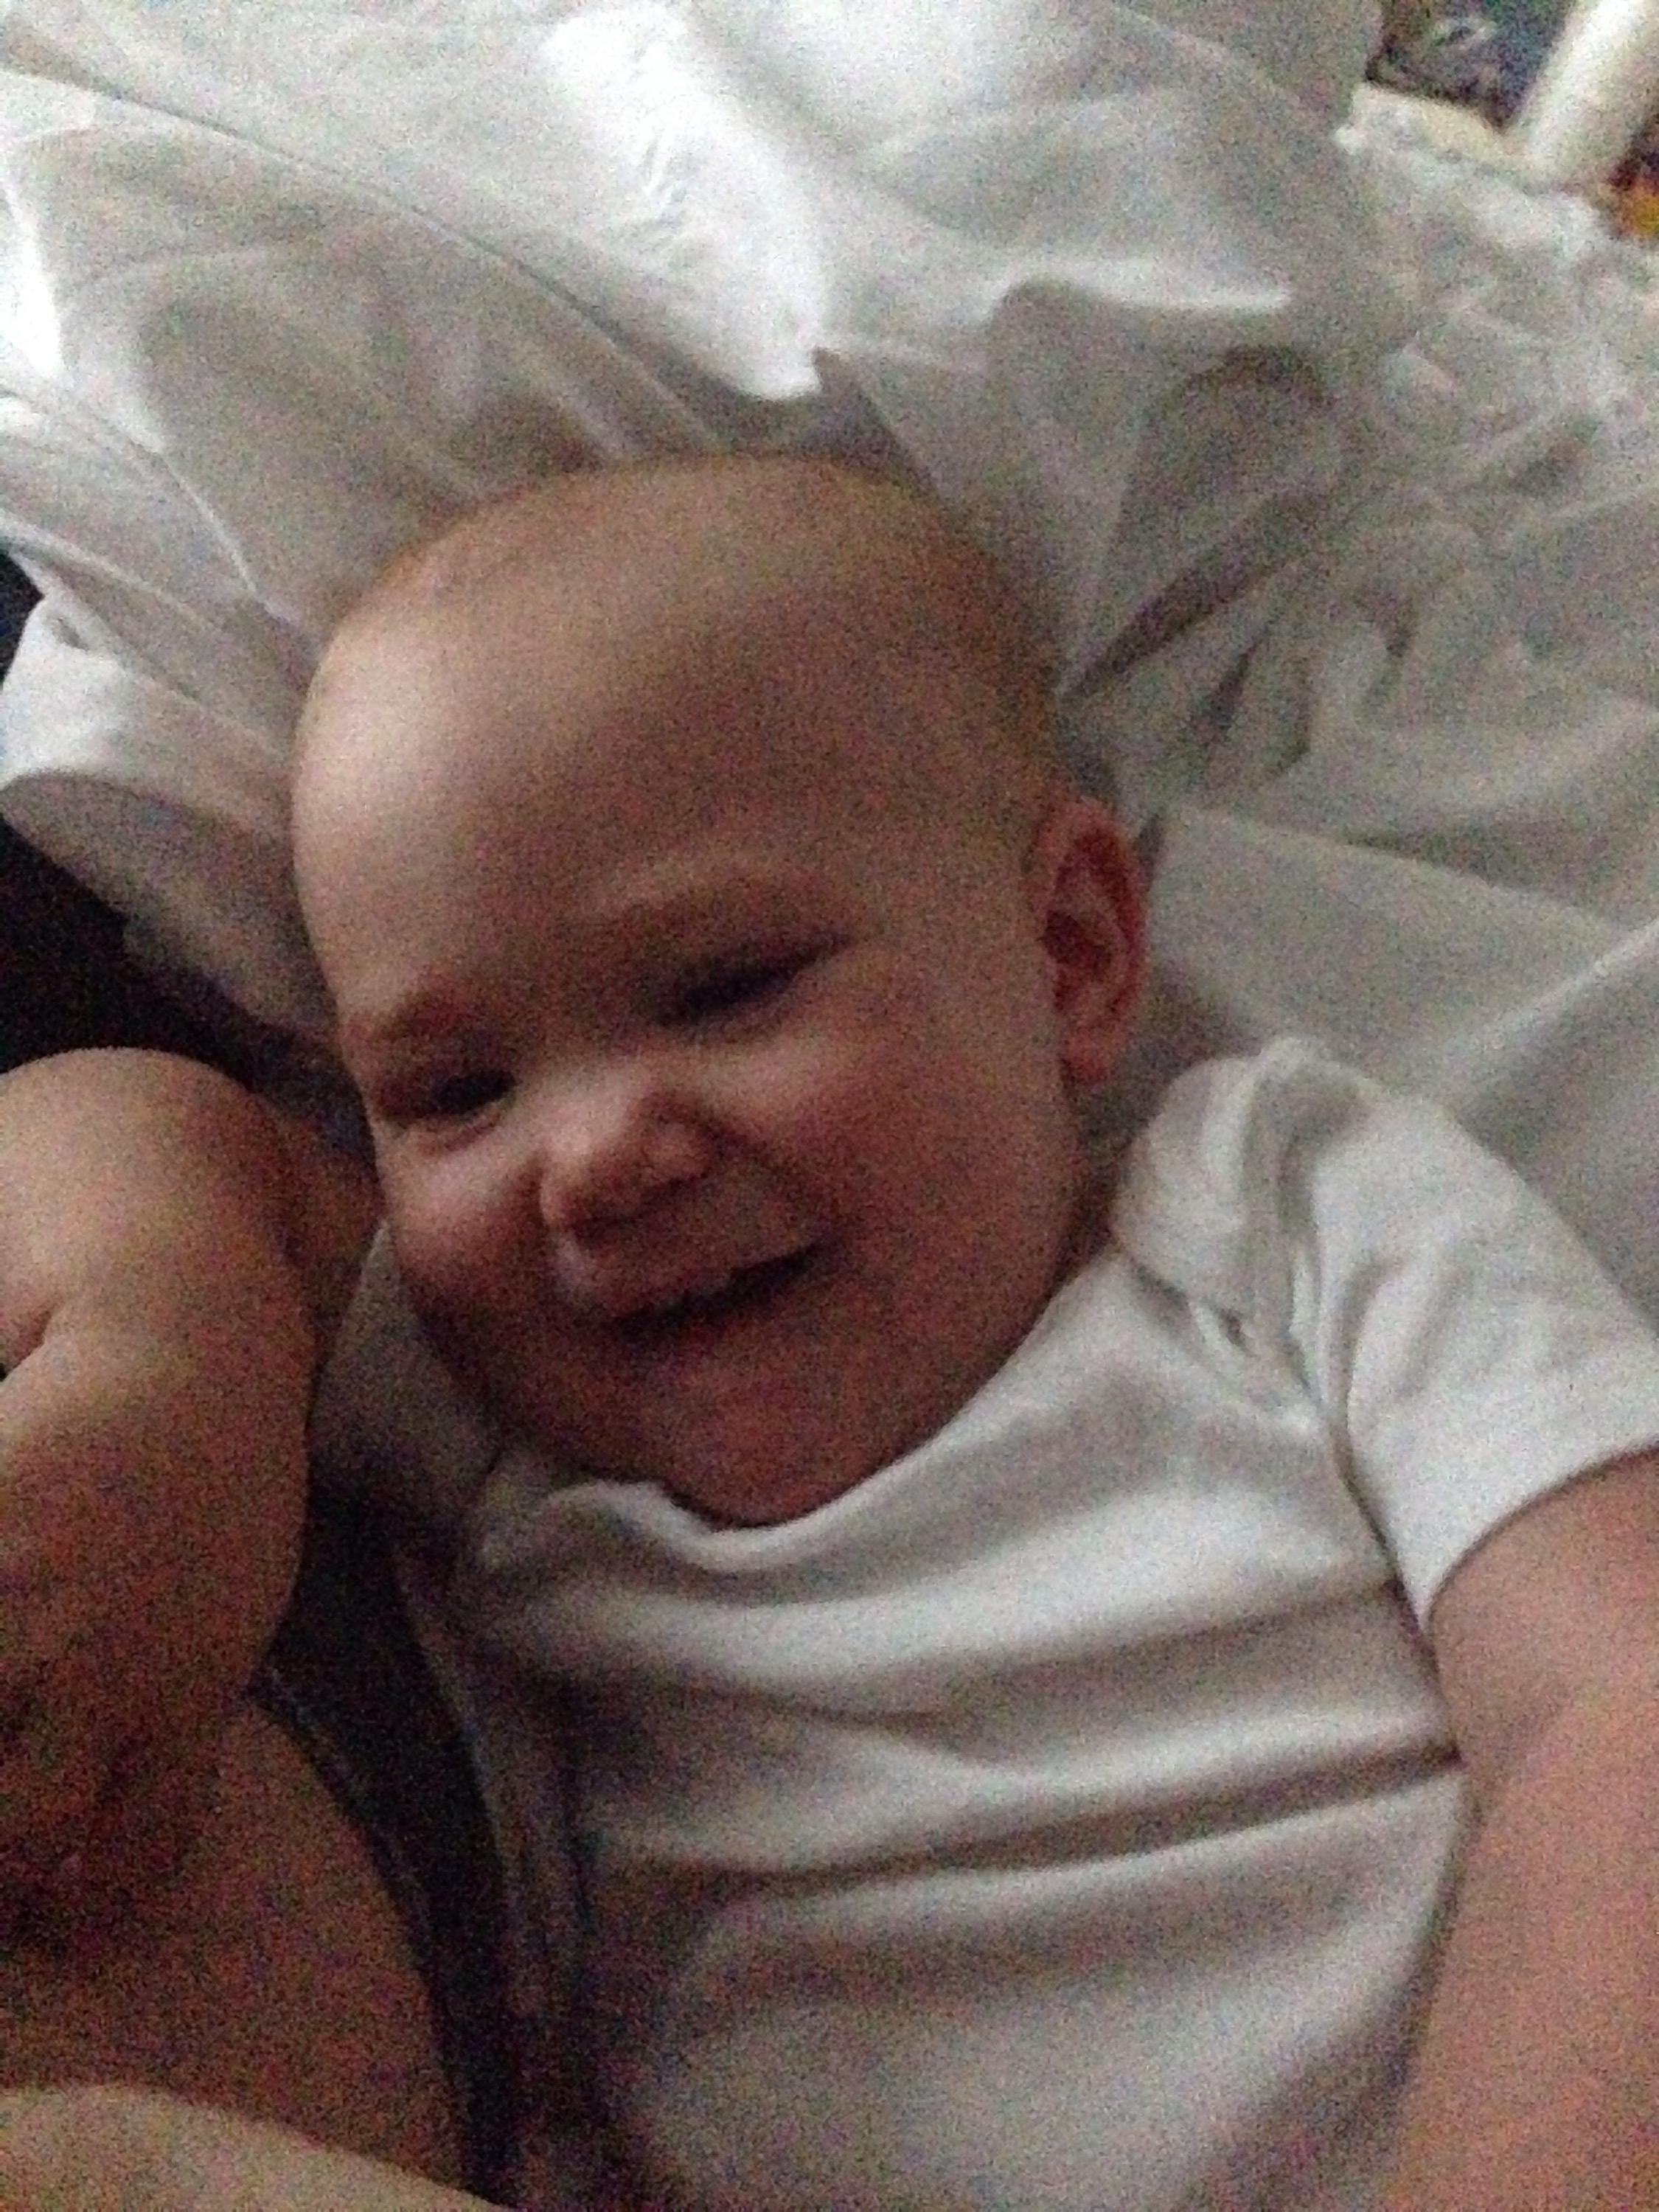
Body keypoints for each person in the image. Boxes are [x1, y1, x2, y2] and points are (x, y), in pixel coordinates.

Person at [7, 454, 1659, 2208]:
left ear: (1070, 952)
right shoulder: (521, 1434)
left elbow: (1616, 1700)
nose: (592, 1158)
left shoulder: (1278, 1215)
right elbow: (116, 1116)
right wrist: (161, 1362)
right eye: (456, 1090)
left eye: (725, 989)